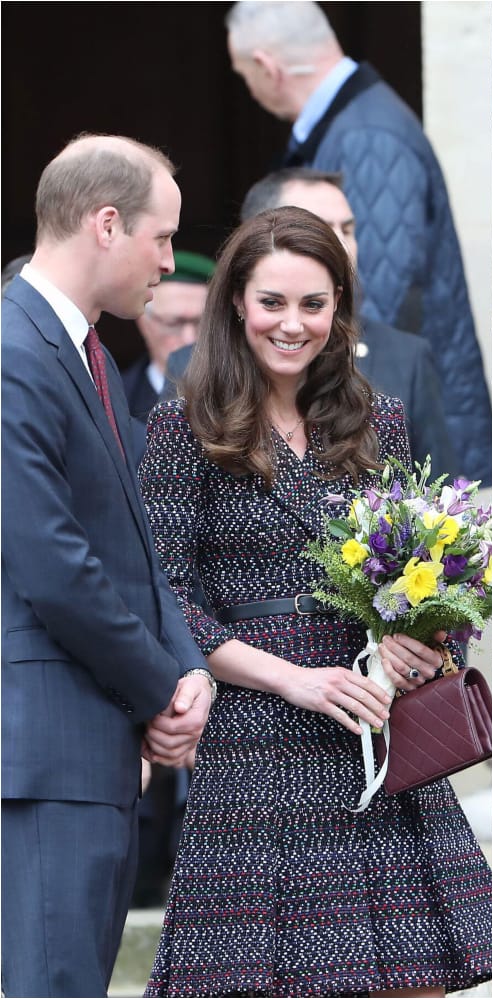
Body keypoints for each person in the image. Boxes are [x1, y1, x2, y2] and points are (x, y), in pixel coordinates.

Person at [139, 206, 492, 997]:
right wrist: (290, 679)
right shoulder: (184, 424)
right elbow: (161, 594)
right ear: (236, 303)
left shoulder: (380, 421)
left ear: (339, 308)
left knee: (410, 978)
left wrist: (427, 643)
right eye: (272, 303)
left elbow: (432, 564)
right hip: (256, 735)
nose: (291, 324)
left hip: (374, 726)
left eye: (312, 303)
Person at [1, 134, 214, 998]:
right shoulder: (16, 356)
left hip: (91, 750)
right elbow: (53, 564)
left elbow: (134, 544)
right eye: (161, 238)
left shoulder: (87, 357)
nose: (169, 260)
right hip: (49, 749)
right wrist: (161, 687)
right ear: (106, 223)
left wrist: (187, 671)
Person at [224, 0, 491, 483]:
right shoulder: (361, 124)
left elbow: (372, 303)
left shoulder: (367, 137)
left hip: (402, 436)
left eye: (243, 76)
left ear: (266, 66)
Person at [162, 167, 457, 478]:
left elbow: (434, 500)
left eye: (347, 229)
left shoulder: (403, 365)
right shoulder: (189, 377)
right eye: (316, 229)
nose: (340, 245)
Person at [122, 251, 213, 423]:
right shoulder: (115, 399)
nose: (189, 339)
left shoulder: (247, 395)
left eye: (202, 324)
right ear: (144, 323)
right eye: (173, 324)